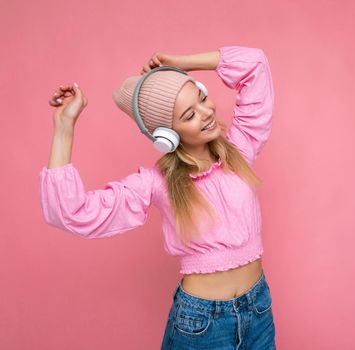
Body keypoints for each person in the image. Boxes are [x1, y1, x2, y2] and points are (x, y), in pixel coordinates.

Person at [39, 45, 276, 349]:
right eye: (189, 115)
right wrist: (63, 127)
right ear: (167, 136)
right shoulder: (155, 183)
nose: (206, 113)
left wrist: (182, 64)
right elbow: (70, 212)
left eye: (202, 97)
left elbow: (255, 64)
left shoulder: (241, 148)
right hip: (201, 323)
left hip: (258, 307)